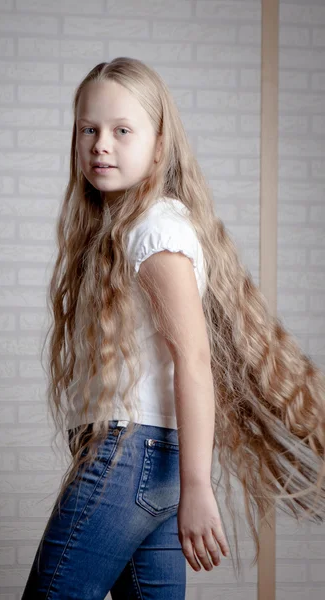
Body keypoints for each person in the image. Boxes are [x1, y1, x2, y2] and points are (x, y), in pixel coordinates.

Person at [21, 57, 325, 599]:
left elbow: (195, 360)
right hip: (151, 463)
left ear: (159, 145)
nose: (101, 145)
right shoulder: (128, 227)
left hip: (128, 457)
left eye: (122, 130)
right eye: (88, 129)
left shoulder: (155, 230)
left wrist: (199, 486)